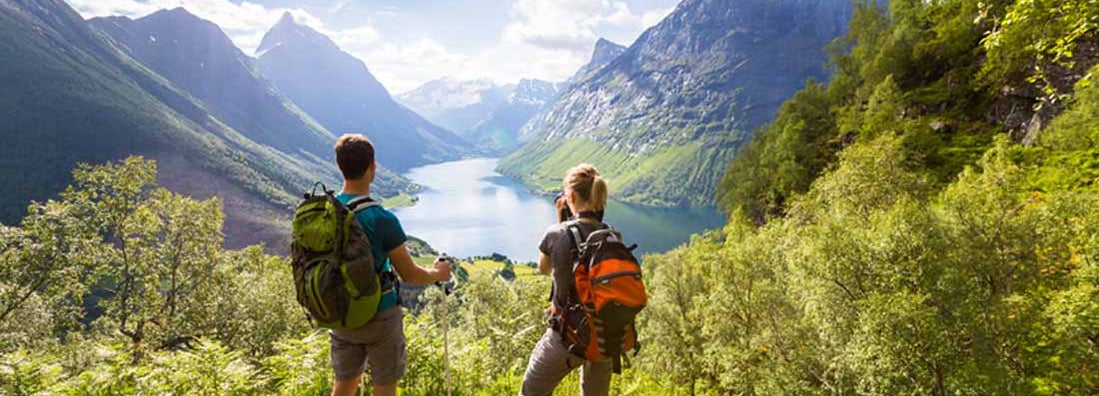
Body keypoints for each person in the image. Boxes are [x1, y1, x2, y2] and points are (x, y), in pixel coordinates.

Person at [329, 134, 451, 396]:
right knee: (384, 387)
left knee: (345, 384)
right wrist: (438, 273)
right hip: (379, 313)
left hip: (340, 311)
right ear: (373, 167)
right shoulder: (381, 218)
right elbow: (410, 274)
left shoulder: (327, 211)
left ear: (340, 166)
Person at [521, 163, 613, 396]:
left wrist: (561, 219)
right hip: (604, 337)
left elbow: (545, 268)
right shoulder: (612, 234)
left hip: (566, 336)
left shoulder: (556, 232)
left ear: (570, 196)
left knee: (531, 392)